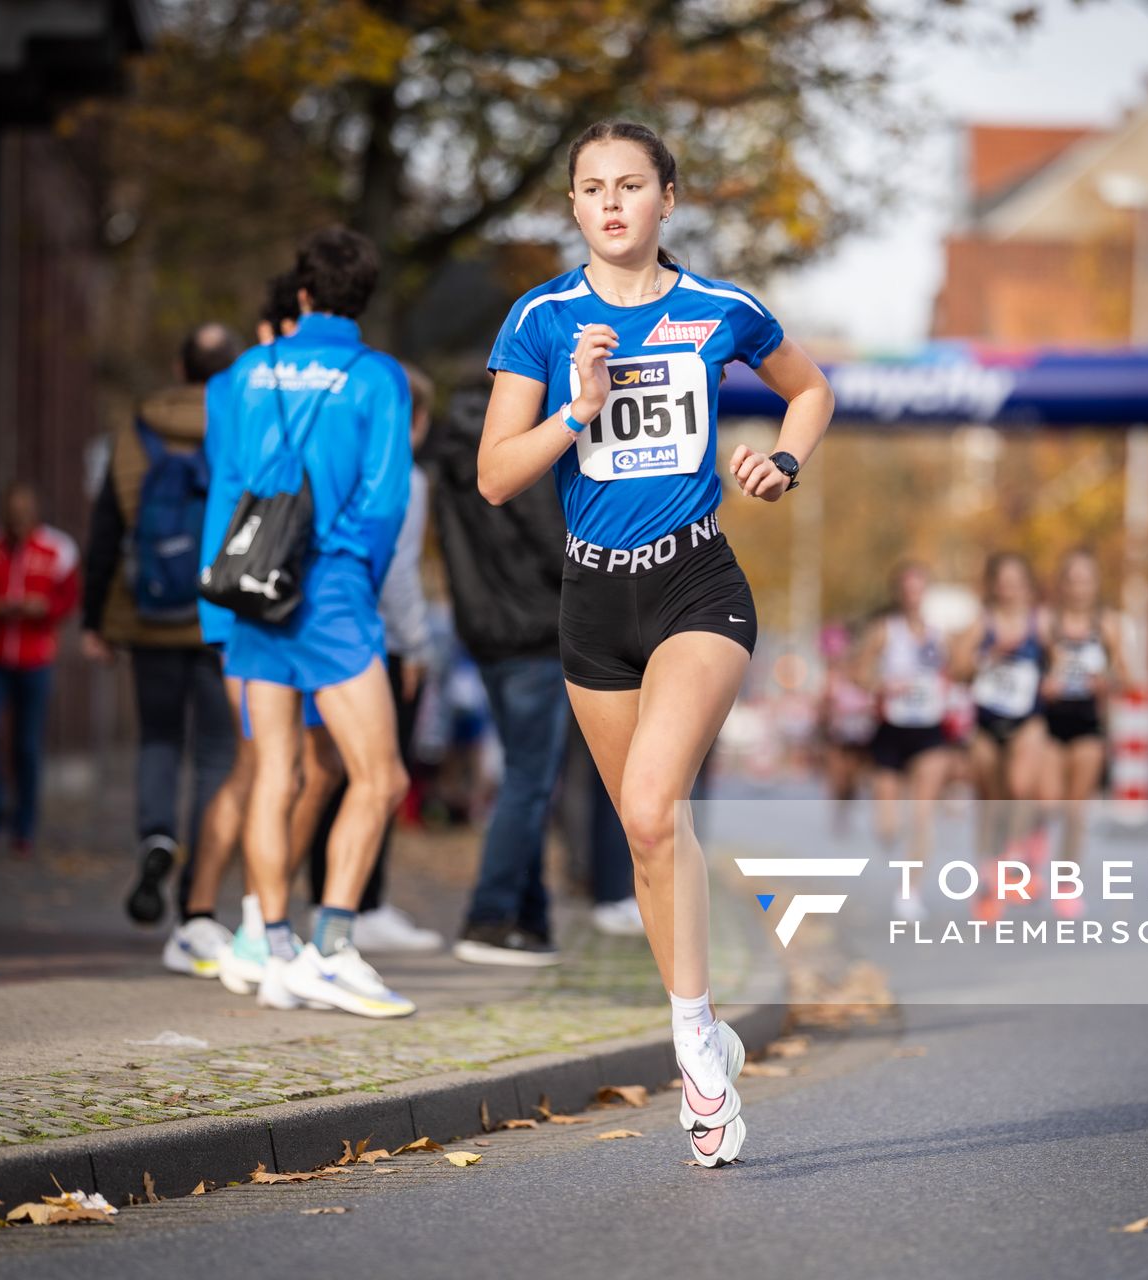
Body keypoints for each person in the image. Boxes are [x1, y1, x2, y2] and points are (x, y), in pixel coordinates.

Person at [478, 120, 834, 1165]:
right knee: (645, 835)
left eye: (631, 185)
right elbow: (498, 475)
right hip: (593, 597)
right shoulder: (542, 318)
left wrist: (782, 459)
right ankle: (702, 1018)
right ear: (576, 208)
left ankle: (691, 1047)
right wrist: (577, 409)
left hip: (696, 583)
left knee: (647, 801)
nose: (612, 204)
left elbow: (810, 389)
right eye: (592, 189)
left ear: (668, 198)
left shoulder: (721, 310)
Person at [203, 225, 416, 1018]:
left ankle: (273, 946)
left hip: (251, 590)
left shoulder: (249, 372)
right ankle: (330, 945)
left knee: (274, 773)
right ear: (361, 298)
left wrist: (216, 607)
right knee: (381, 775)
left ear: (300, 293)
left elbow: (226, 486)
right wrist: (353, 574)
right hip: (327, 591)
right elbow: (386, 499)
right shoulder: (377, 376)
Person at [190, 273, 350, 988]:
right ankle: (230, 921)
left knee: (313, 768)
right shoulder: (245, 387)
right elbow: (246, 485)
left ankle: (261, 918)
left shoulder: (280, 386)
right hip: (253, 594)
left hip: (298, 601)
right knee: (267, 765)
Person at [80, 322, 244, 949]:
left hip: (146, 613)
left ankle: (156, 839)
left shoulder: (136, 429)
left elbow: (105, 531)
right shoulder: (243, 422)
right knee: (213, 755)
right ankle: (195, 902)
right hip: (220, 616)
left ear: (179, 367)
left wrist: (94, 620)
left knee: (156, 739)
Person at [430, 381, 575, 964]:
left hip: (484, 631)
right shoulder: (517, 445)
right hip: (536, 631)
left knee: (526, 777)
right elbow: (556, 543)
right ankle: (488, 917)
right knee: (530, 781)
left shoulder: (451, 453)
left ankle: (530, 919)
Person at [302, 363, 441, 955]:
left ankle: (301, 910)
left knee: (320, 775)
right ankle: (358, 909)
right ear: (418, 420)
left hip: (313, 632)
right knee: (381, 776)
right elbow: (399, 575)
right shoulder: (404, 477)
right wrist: (415, 645)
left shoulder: (332, 462)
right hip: (371, 642)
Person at [0, 482, 81, 856]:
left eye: (26, 514)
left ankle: (24, 827)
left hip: (37, 657)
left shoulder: (58, 549)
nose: (19, 522)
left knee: (27, 744)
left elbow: (69, 597)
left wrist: (45, 609)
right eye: (13, 515)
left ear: (36, 514)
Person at [950, 552, 1050, 919]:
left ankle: (1014, 856)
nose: (1009, 590)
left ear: (1027, 585)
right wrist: (985, 655)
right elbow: (958, 670)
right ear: (994, 586)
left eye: (1016, 582)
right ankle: (988, 879)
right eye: (1002, 582)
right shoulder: (983, 623)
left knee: (1021, 787)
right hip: (988, 722)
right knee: (990, 802)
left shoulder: (1040, 623)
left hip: (1028, 719)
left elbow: (1062, 660)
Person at [855, 562, 955, 920]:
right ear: (899, 594)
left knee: (922, 815)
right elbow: (859, 673)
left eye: (919, 588)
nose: (913, 596)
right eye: (907, 589)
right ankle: (891, 839)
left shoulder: (939, 635)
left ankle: (909, 892)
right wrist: (881, 686)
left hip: (929, 729)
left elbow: (958, 672)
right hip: (891, 729)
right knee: (888, 827)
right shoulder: (885, 631)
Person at [1039, 548, 1123, 911]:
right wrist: (1045, 682)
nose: (1079, 588)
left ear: (1095, 584)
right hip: (1049, 723)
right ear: (1062, 584)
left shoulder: (1106, 625)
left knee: (1075, 811)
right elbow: (1025, 670)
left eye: (1086, 580)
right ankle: (1030, 852)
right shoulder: (1046, 624)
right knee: (1047, 801)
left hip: (1087, 723)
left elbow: (1127, 676)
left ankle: (1066, 885)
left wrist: (1107, 682)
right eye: (1072, 580)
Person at [817, 621, 877, 836]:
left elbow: (873, 695)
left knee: (851, 779)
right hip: (836, 735)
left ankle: (846, 807)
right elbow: (821, 709)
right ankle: (838, 811)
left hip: (859, 734)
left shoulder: (860, 672)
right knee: (838, 776)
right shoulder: (830, 678)